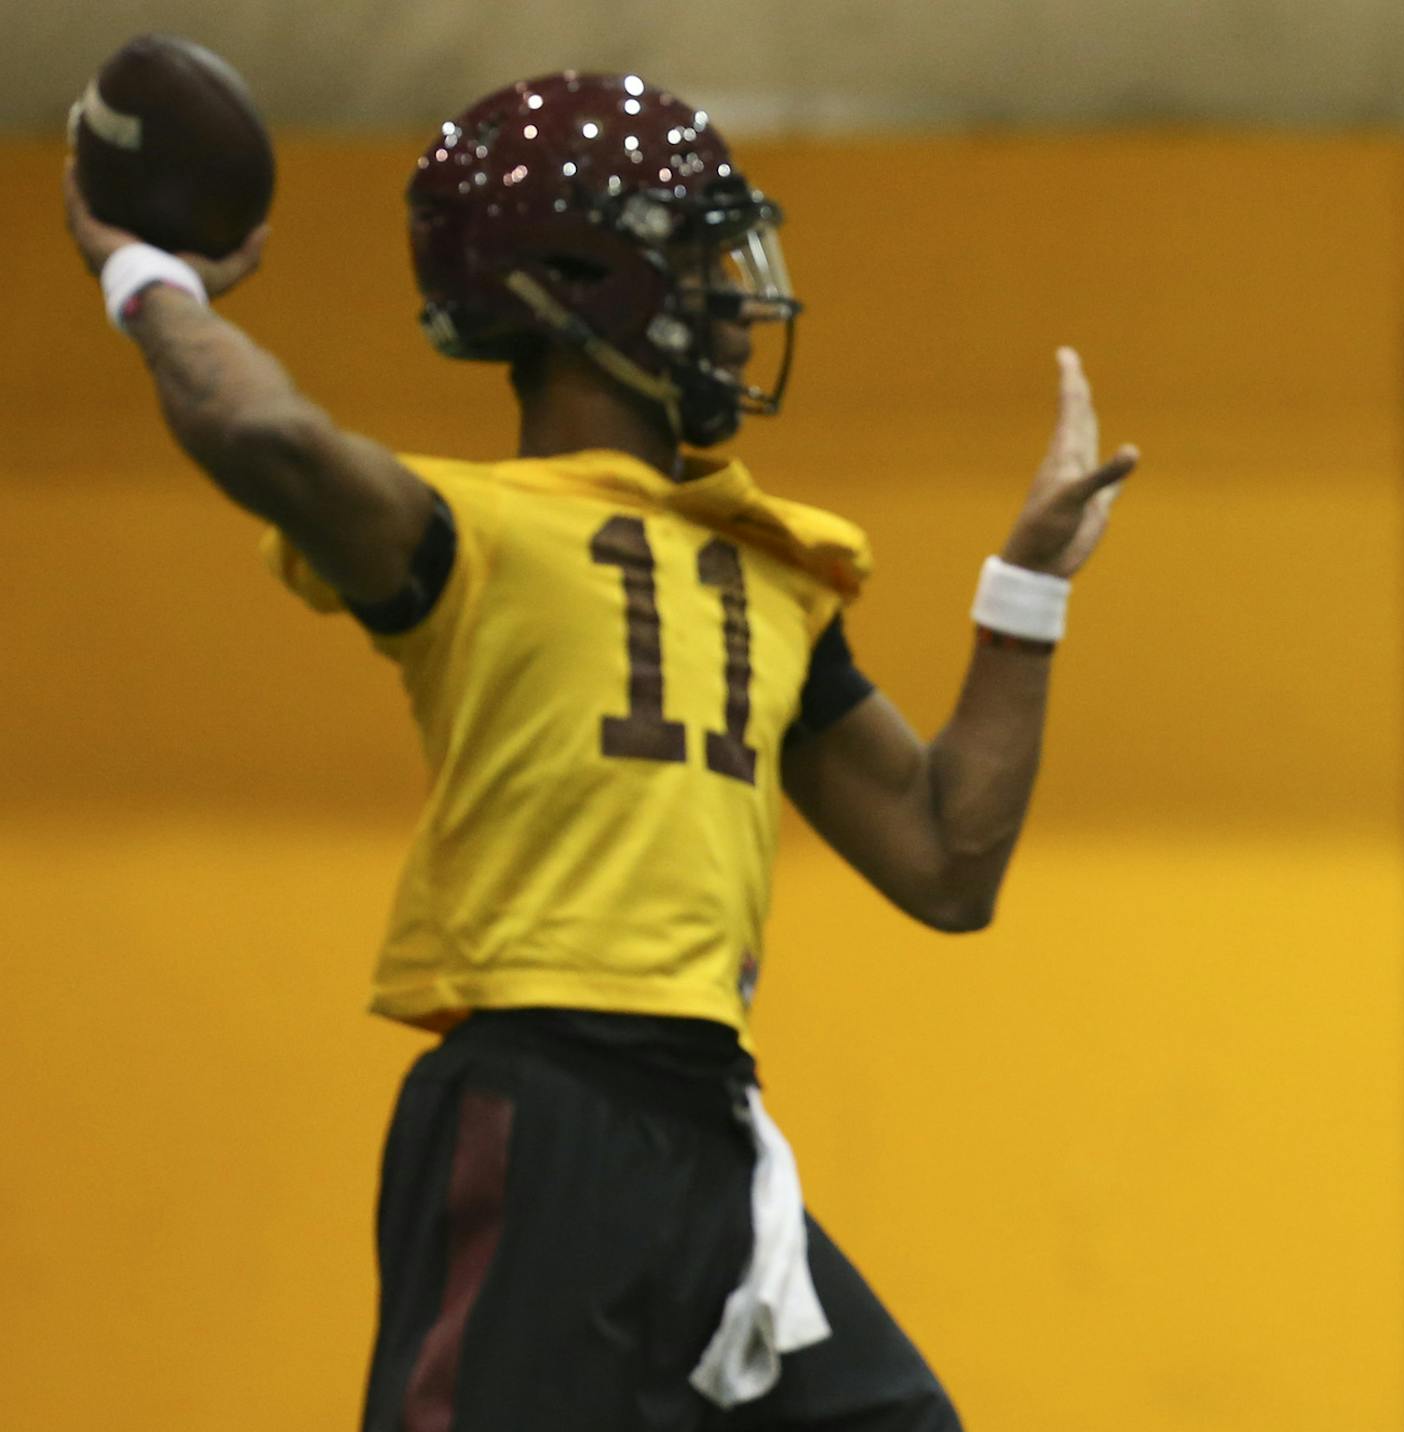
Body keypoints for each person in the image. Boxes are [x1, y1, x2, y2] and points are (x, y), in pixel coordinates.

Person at [65, 69, 1138, 1432]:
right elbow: (261, 429)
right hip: (541, 1100)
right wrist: (145, 272)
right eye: (695, 261)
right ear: (581, 285)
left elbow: (948, 862)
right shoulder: (469, 534)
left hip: (710, 1123)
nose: (739, 303)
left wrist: (1029, 593)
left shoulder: (770, 571)